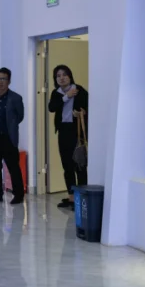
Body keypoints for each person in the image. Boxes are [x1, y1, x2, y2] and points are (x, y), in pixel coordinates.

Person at [48, 64, 89, 209]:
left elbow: (89, 107)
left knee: (80, 165)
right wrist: (66, 97)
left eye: (64, 75)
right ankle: (71, 197)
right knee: (67, 165)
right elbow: (51, 107)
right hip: (63, 131)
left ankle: (82, 198)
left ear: (70, 76)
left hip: (76, 132)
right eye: (58, 76)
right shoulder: (56, 93)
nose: (62, 78)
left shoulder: (79, 90)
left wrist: (82, 113)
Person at [0, 67, 25, 204]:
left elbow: (20, 116)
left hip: (9, 138)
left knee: (13, 167)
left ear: (9, 81)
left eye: (3, 79)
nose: (0, 81)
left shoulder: (16, 98)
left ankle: (18, 195)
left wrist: (11, 125)